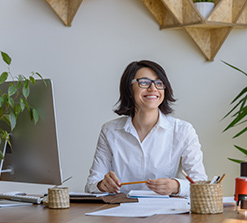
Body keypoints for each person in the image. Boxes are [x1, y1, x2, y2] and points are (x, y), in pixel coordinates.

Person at [85, 60, 207, 197]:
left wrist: (177, 186)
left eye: (159, 83)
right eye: (144, 82)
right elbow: (92, 183)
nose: (153, 89)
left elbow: (200, 182)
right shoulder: (109, 131)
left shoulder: (183, 130)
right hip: (120, 211)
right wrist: (102, 185)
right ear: (129, 89)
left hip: (165, 213)